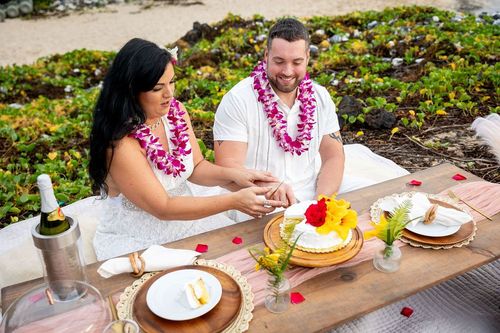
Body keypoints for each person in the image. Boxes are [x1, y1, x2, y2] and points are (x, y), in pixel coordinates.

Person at [89, 38, 283, 260]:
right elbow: (163, 207)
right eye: (157, 88)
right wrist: (234, 200)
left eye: (172, 82)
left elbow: (196, 167)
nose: (169, 94)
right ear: (131, 91)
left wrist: (238, 176)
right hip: (142, 234)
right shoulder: (122, 144)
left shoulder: (175, 112)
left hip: (186, 215)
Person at [213, 18, 407, 208]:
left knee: (381, 200)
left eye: (296, 62)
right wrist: (269, 188)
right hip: (258, 198)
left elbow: (333, 156)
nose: (288, 71)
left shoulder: (319, 96)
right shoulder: (238, 99)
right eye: (279, 61)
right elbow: (228, 165)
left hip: (312, 189)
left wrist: (320, 203)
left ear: (307, 57)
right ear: (266, 56)